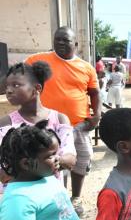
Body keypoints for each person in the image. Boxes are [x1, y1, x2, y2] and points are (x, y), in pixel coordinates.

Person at [25, 26, 101, 217]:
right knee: (50, 161)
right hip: (47, 126)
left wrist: (96, 115)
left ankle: (75, 198)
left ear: (75, 43)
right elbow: (19, 75)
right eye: (57, 39)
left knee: (81, 160)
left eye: (65, 40)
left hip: (78, 124)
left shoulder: (86, 67)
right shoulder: (38, 60)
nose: (59, 42)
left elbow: (94, 92)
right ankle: (55, 199)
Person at [0, 121, 82, 220]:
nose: (57, 158)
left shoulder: (44, 177)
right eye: (50, 156)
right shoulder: (19, 199)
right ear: (26, 163)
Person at [0, 62, 76, 192]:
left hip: (51, 193)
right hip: (19, 195)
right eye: (7, 86)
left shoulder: (59, 119)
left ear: (37, 88)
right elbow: (3, 172)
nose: (9, 90)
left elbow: (70, 160)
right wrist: (45, 164)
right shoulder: (6, 124)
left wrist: (58, 160)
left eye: (16, 85)